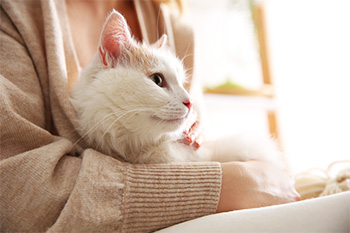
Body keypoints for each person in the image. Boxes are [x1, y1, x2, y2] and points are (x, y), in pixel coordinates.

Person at [0, 0, 300, 232]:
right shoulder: (14, 14)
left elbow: (200, 140)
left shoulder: (172, 21)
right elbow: (15, 195)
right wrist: (223, 185)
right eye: (158, 81)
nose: (187, 101)